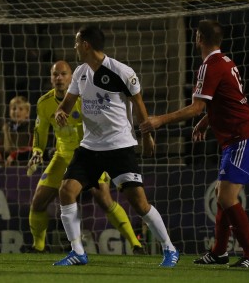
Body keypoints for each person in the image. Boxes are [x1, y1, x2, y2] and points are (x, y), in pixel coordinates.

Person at [140, 19, 249, 269]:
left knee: (228, 197)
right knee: (221, 196)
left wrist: (160, 120)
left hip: (243, 137)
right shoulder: (225, 61)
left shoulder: (209, 65)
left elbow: (196, 107)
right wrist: (206, 122)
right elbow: (227, 99)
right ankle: (219, 252)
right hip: (237, 138)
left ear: (198, 38)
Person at [52, 25, 179, 267]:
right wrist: (60, 113)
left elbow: (139, 106)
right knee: (66, 191)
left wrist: (146, 136)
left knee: (140, 203)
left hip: (119, 146)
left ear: (86, 45)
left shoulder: (121, 71)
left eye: (77, 42)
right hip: (89, 147)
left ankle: (169, 248)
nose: (75, 46)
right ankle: (78, 252)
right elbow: (66, 105)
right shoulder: (80, 73)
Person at [26, 61, 146, 255]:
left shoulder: (85, 99)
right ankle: (38, 247)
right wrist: (37, 152)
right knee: (38, 201)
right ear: (50, 78)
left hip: (89, 155)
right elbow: (39, 133)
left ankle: (136, 244)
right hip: (62, 156)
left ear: (71, 77)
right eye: (55, 74)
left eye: (63, 74)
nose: (59, 78)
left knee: (104, 198)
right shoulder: (44, 103)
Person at [0, 0, 48, 106]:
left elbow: (48, 32)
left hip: (31, 67)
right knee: (13, 107)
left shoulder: (33, 4)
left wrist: (37, 52)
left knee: (32, 106)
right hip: (9, 68)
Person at [0, 95, 33, 167]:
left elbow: (33, 148)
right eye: (14, 108)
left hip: (26, 166)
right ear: (9, 112)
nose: (16, 112)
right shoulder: (5, 128)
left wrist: (15, 155)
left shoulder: (31, 128)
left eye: (21, 109)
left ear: (27, 113)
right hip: (7, 166)